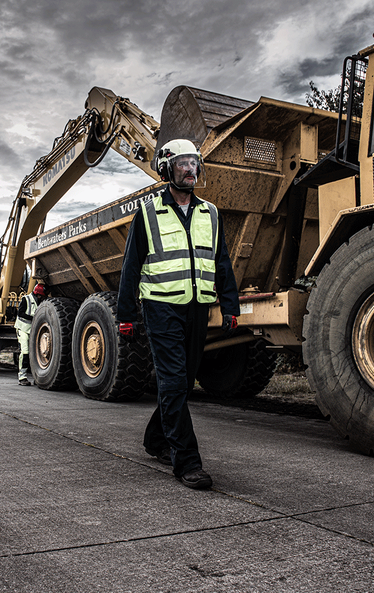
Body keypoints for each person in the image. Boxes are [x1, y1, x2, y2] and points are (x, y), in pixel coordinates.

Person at [116, 139, 240, 489]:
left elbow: (222, 262)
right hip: (160, 307)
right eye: (183, 163)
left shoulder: (210, 213)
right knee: (172, 382)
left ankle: (156, 439)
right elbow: (131, 267)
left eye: (194, 163)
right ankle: (186, 461)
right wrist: (126, 315)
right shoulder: (148, 213)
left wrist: (230, 305)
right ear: (167, 168)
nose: (190, 169)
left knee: (183, 383)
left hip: (198, 307)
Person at [14, 283, 47, 386]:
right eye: (40, 296)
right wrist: (34, 318)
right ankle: (22, 377)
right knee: (25, 352)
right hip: (23, 329)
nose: (40, 298)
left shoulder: (40, 300)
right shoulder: (26, 299)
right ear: (37, 294)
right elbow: (20, 313)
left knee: (35, 354)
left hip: (32, 330)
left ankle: (36, 377)